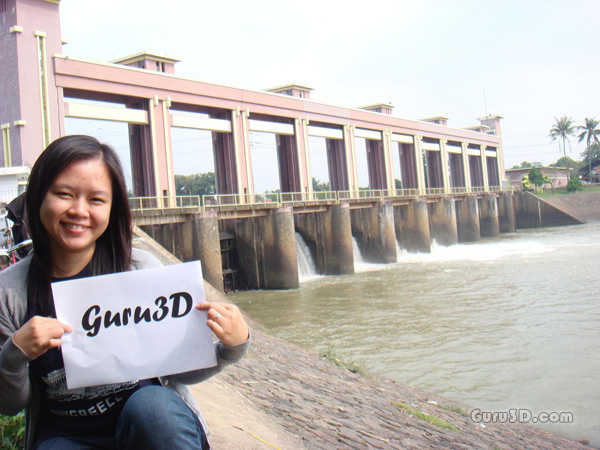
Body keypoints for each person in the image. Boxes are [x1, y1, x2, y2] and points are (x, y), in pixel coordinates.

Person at [0, 135, 250, 449]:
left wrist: (230, 348)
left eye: (96, 200)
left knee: (154, 410)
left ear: (112, 207)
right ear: (38, 196)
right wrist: (15, 354)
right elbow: (9, 404)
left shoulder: (140, 269)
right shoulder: (9, 293)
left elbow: (180, 371)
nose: (79, 210)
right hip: (65, 435)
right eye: (64, 194)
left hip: (149, 425)